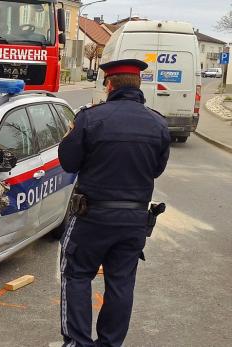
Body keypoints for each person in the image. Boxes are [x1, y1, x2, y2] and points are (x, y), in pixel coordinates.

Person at [57, 59, 170, 347]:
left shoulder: (90, 118)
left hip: (91, 217)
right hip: (133, 221)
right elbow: (156, 169)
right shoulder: (158, 122)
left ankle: (78, 343)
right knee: (121, 283)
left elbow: (68, 162)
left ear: (109, 84)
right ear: (139, 85)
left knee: (77, 275)